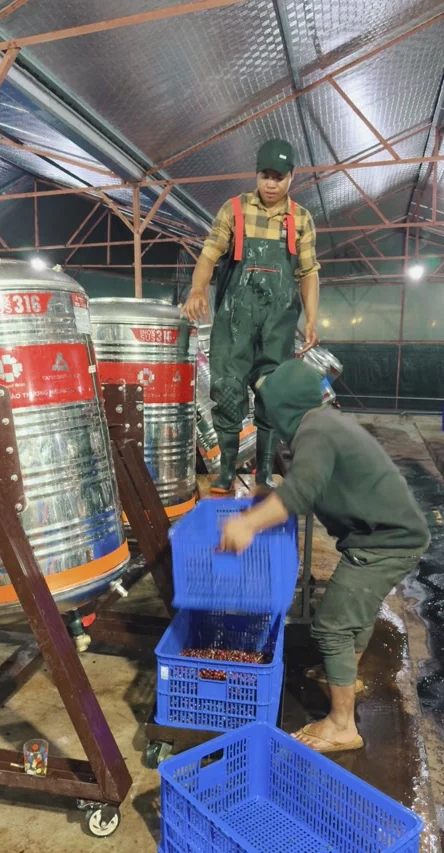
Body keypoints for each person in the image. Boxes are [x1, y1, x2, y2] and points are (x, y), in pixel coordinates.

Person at [220, 360, 430, 753]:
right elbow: (312, 484)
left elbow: (301, 492)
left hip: (384, 544)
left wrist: (248, 525)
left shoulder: (314, 431)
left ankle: (340, 725)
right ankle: (347, 674)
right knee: (357, 612)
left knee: (332, 624)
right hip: (393, 535)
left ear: (282, 405)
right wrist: (267, 499)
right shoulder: (327, 422)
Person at [182, 139, 320, 493]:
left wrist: (312, 320)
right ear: (256, 174)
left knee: (273, 394)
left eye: (279, 177)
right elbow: (210, 253)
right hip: (234, 322)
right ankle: (226, 470)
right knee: (227, 391)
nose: (271, 184)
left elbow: (309, 273)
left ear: (292, 177)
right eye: (265, 176)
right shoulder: (234, 210)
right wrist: (198, 289)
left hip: (278, 324)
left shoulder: (301, 218)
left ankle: (263, 472)